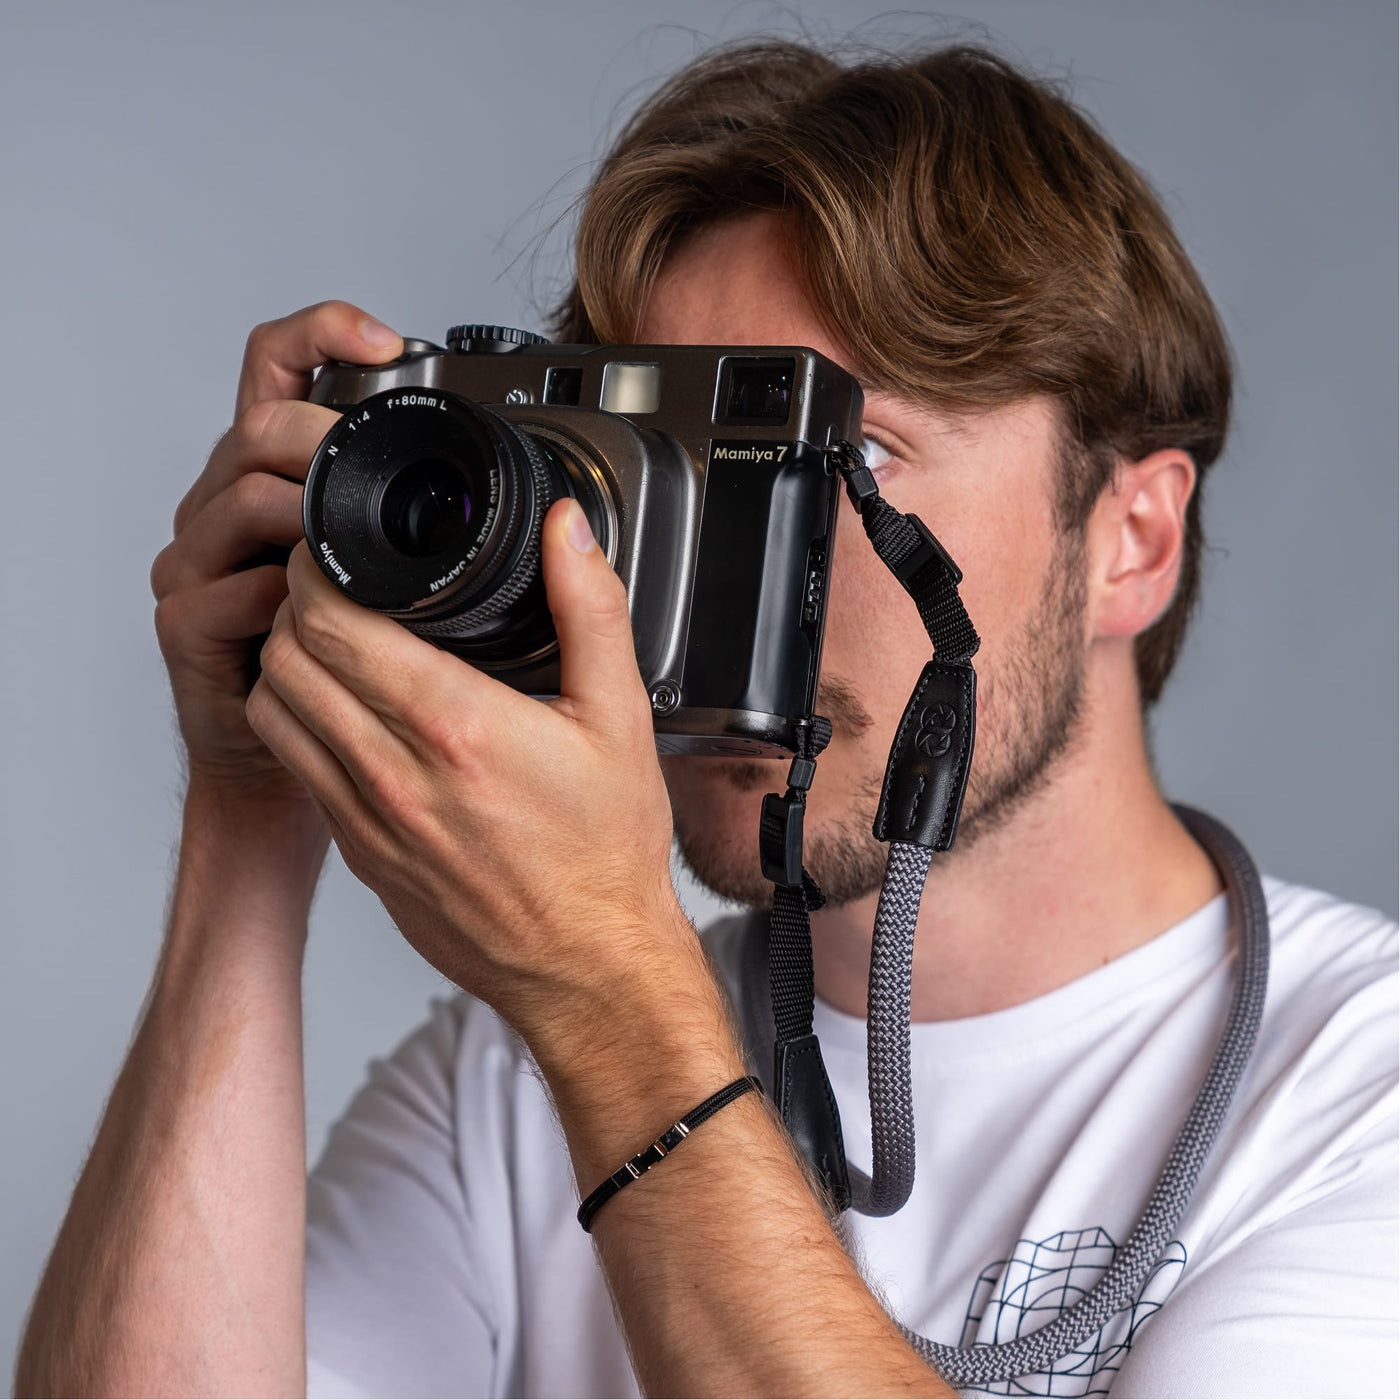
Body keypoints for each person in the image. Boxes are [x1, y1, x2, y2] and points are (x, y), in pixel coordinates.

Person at [15, 41, 1396, 1400]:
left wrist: (612, 995)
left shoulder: (1354, 1094)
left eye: (844, 466)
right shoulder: (510, 1085)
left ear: (1132, 541)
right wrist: (252, 810)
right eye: (690, 477)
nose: (736, 594)